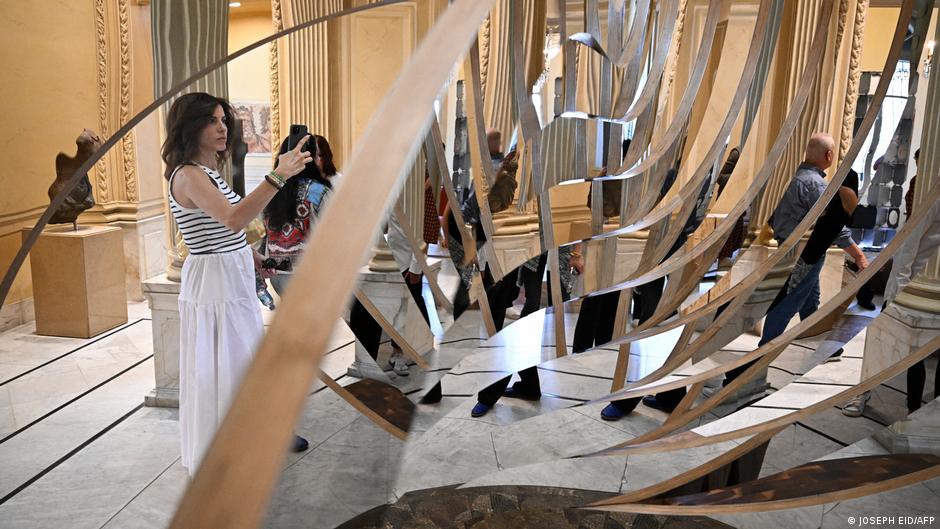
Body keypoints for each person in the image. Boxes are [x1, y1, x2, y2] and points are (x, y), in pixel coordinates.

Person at [163, 92, 313, 475]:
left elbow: (225, 233)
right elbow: (232, 219)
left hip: (230, 276)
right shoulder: (188, 175)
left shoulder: (207, 173)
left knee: (241, 364)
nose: (222, 128)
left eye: (223, 120)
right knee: (221, 369)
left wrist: (252, 256)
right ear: (190, 127)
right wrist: (280, 175)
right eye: (212, 121)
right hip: (214, 284)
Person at [723, 133, 868, 389]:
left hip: (797, 253)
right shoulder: (816, 186)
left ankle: (825, 347)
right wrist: (859, 255)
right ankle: (754, 367)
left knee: (810, 301)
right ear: (829, 156)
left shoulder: (798, 179)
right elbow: (835, 228)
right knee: (785, 307)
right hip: (804, 257)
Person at [844, 148, 940, 416]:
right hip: (911, 280)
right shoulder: (920, 187)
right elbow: (910, 240)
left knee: (907, 347)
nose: (919, 168)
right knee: (890, 341)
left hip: (918, 282)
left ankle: (913, 410)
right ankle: (870, 394)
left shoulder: (925, 188)